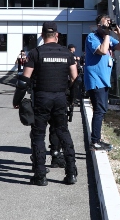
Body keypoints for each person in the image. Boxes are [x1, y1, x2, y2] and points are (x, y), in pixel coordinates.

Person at [14, 21, 79, 186]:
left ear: (42, 36)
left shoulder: (36, 53)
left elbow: (24, 80)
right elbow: (75, 79)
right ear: (57, 35)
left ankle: (40, 176)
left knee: (38, 136)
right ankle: (71, 173)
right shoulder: (67, 54)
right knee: (63, 133)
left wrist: (17, 100)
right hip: (60, 98)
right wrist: (71, 99)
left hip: (41, 98)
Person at [84, 14, 120, 152]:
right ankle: (95, 141)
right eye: (105, 23)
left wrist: (119, 33)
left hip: (104, 80)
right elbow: (102, 50)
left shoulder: (107, 38)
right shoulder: (92, 37)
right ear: (98, 26)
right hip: (95, 79)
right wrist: (107, 33)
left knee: (102, 110)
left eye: (109, 23)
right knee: (99, 110)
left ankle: (97, 139)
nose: (108, 25)